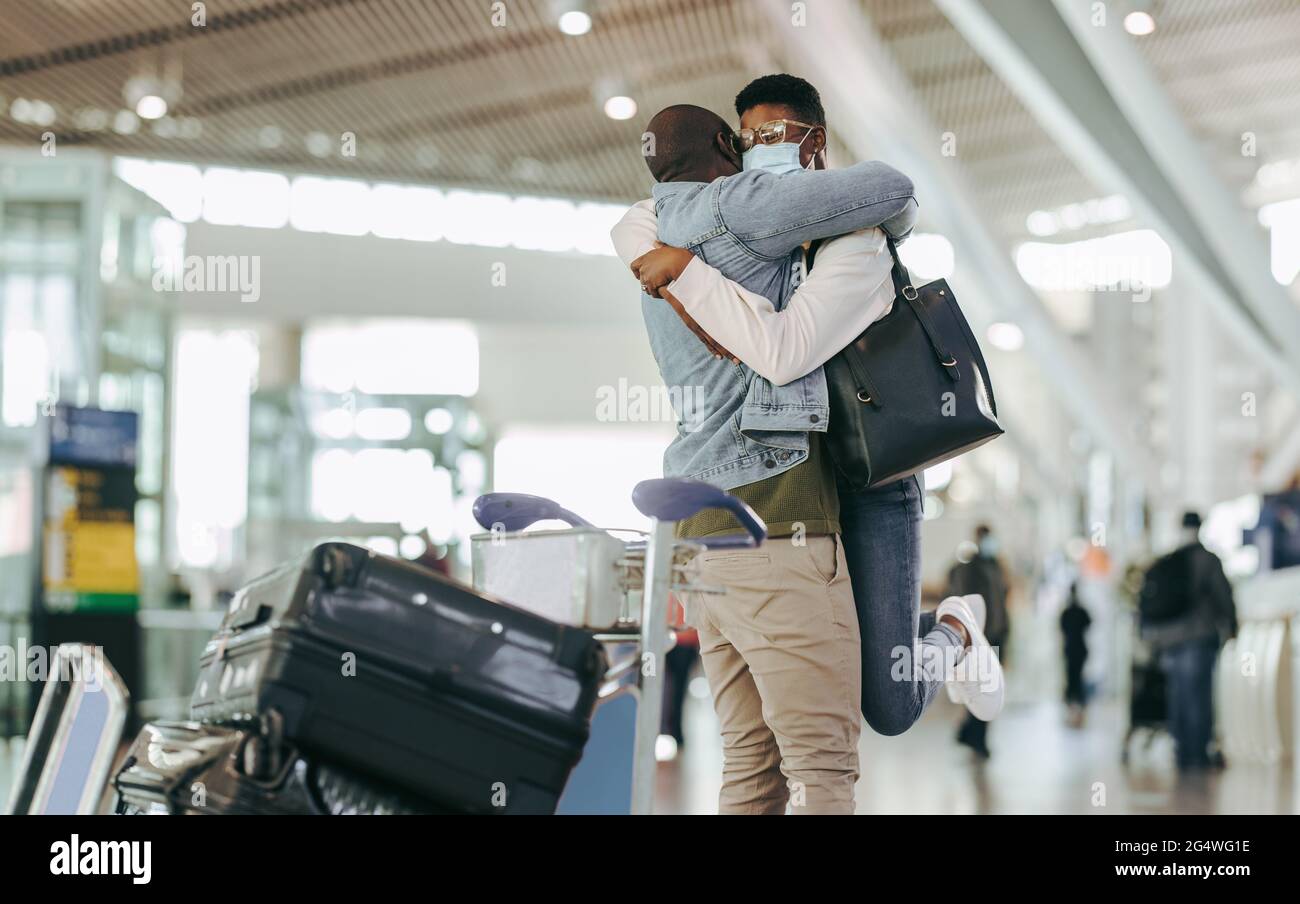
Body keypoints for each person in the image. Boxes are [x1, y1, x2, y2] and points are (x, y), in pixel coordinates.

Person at [610, 76, 1001, 813]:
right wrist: (669, 261)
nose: (764, 154)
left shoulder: (853, 240)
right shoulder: (734, 225)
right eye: (749, 138)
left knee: (879, 709)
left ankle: (954, 626)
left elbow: (784, 350)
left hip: (866, 479)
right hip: (772, 512)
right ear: (730, 148)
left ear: (814, 142)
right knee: (780, 769)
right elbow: (642, 219)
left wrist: (687, 274)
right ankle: (949, 628)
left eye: (776, 137)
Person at [1140, 511, 1237, 770]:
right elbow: (1224, 597)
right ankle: (1197, 756)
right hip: (1199, 638)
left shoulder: (1169, 560)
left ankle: (1182, 753)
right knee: (1199, 698)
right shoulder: (1208, 560)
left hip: (1169, 642)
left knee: (1178, 698)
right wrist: (1232, 627)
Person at [945, 524, 1010, 759]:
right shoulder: (969, 569)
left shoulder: (997, 568)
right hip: (981, 637)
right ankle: (975, 737)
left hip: (997, 634)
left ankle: (970, 733)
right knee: (983, 689)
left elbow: (1002, 602)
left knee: (989, 688)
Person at [1059, 583, 1092, 728]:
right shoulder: (1079, 611)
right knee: (1075, 681)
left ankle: (1076, 712)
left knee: (1074, 681)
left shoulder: (1068, 612)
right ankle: (1075, 712)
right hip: (1076, 650)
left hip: (1073, 650)